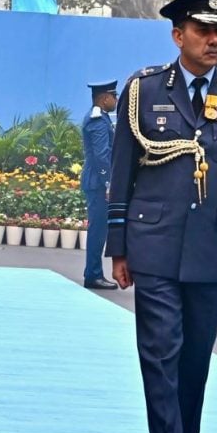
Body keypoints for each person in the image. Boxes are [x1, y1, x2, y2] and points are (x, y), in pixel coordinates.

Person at [105, 0, 217, 433]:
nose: (213, 39)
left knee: (194, 358)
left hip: (212, 247)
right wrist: (118, 246)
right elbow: (123, 171)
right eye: (203, 30)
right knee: (159, 349)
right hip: (153, 242)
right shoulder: (144, 90)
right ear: (178, 36)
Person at [80, 79, 119, 290]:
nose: (116, 100)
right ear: (104, 98)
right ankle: (93, 275)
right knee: (97, 230)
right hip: (98, 183)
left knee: (99, 229)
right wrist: (108, 183)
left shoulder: (101, 117)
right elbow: (101, 156)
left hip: (97, 182)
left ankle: (93, 272)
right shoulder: (97, 121)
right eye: (114, 96)